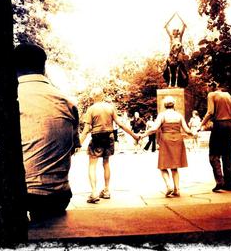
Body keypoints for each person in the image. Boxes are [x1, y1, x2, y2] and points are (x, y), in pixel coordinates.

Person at [14, 43, 80, 221]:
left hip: (22, 197)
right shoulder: (67, 102)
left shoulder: (11, 97)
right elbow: (72, 148)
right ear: (43, 66)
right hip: (60, 197)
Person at [80, 88, 139, 203]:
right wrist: (134, 136)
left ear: (93, 97)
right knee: (106, 163)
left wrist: (78, 144)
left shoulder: (91, 109)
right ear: (102, 96)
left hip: (97, 137)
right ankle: (106, 190)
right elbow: (120, 124)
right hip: (109, 136)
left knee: (92, 164)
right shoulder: (110, 108)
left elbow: (86, 129)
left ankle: (94, 192)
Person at [139, 96, 194, 197]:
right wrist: (194, 134)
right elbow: (187, 130)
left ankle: (169, 185)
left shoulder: (162, 115)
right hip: (178, 139)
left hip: (166, 139)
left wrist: (143, 135)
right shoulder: (179, 115)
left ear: (164, 105)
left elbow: (154, 128)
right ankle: (177, 189)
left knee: (163, 165)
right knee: (175, 167)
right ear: (174, 105)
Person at [200, 82, 231, 192]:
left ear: (211, 87)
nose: (207, 89)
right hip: (228, 126)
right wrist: (227, 117)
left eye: (207, 87)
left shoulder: (211, 95)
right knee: (228, 154)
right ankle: (230, 183)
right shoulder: (227, 95)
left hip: (218, 126)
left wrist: (202, 124)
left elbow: (210, 112)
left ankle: (220, 181)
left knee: (214, 154)